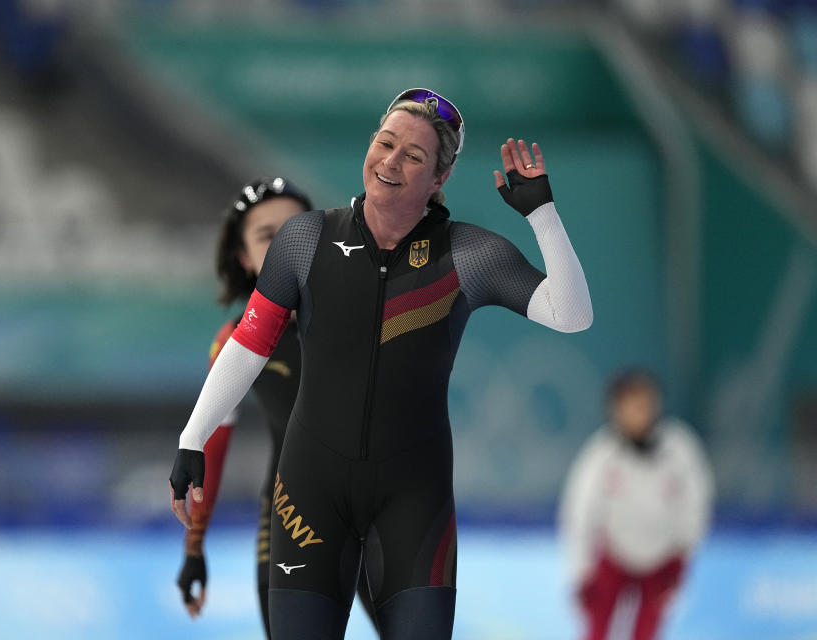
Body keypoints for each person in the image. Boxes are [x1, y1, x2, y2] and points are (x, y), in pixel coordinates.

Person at [170, 87, 594, 639]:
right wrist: (192, 438)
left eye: (413, 155)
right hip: (309, 496)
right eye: (385, 143)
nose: (391, 161)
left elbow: (572, 314)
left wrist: (542, 214)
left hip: (413, 503)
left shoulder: (467, 254)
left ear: (439, 179)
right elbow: (247, 346)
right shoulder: (304, 241)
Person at [176, 177, 377, 637]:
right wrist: (194, 548)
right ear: (245, 259)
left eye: (298, 229)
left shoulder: (373, 310)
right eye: (269, 237)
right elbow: (212, 445)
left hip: (380, 512)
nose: (289, 245)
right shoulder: (231, 344)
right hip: (291, 513)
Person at [558, 369, 714, 640]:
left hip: (661, 562)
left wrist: (681, 558)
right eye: (630, 404)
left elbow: (696, 505)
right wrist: (581, 573)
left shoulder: (681, 450)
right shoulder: (601, 455)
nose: (639, 411)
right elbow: (579, 514)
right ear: (616, 409)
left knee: (647, 634)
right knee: (596, 632)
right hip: (614, 557)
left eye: (645, 403)